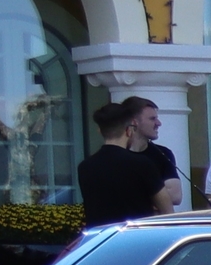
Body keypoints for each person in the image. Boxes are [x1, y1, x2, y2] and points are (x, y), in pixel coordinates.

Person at [78, 101, 171, 229]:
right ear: (129, 130)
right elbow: (167, 210)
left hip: (100, 241)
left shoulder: (85, 167)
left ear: (100, 131)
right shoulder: (142, 164)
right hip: (136, 239)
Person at [117, 95, 182, 211]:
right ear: (134, 122)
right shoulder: (115, 155)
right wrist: (159, 195)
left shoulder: (163, 154)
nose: (159, 123)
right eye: (152, 119)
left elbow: (176, 196)